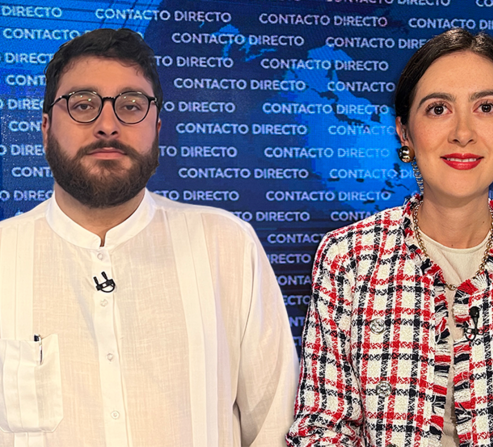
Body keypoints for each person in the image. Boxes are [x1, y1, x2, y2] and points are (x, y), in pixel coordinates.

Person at [0, 28, 298, 447]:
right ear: (46, 129)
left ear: (156, 127)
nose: (107, 125)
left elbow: (275, 427)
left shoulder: (226, 246)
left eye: (130, 106)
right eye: (83, 105)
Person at [287, 28, 493, 447]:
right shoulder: (349, 258)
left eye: (486, 107)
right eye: (438, 109)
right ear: (404, 132)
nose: (463, 132)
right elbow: (321, 431)